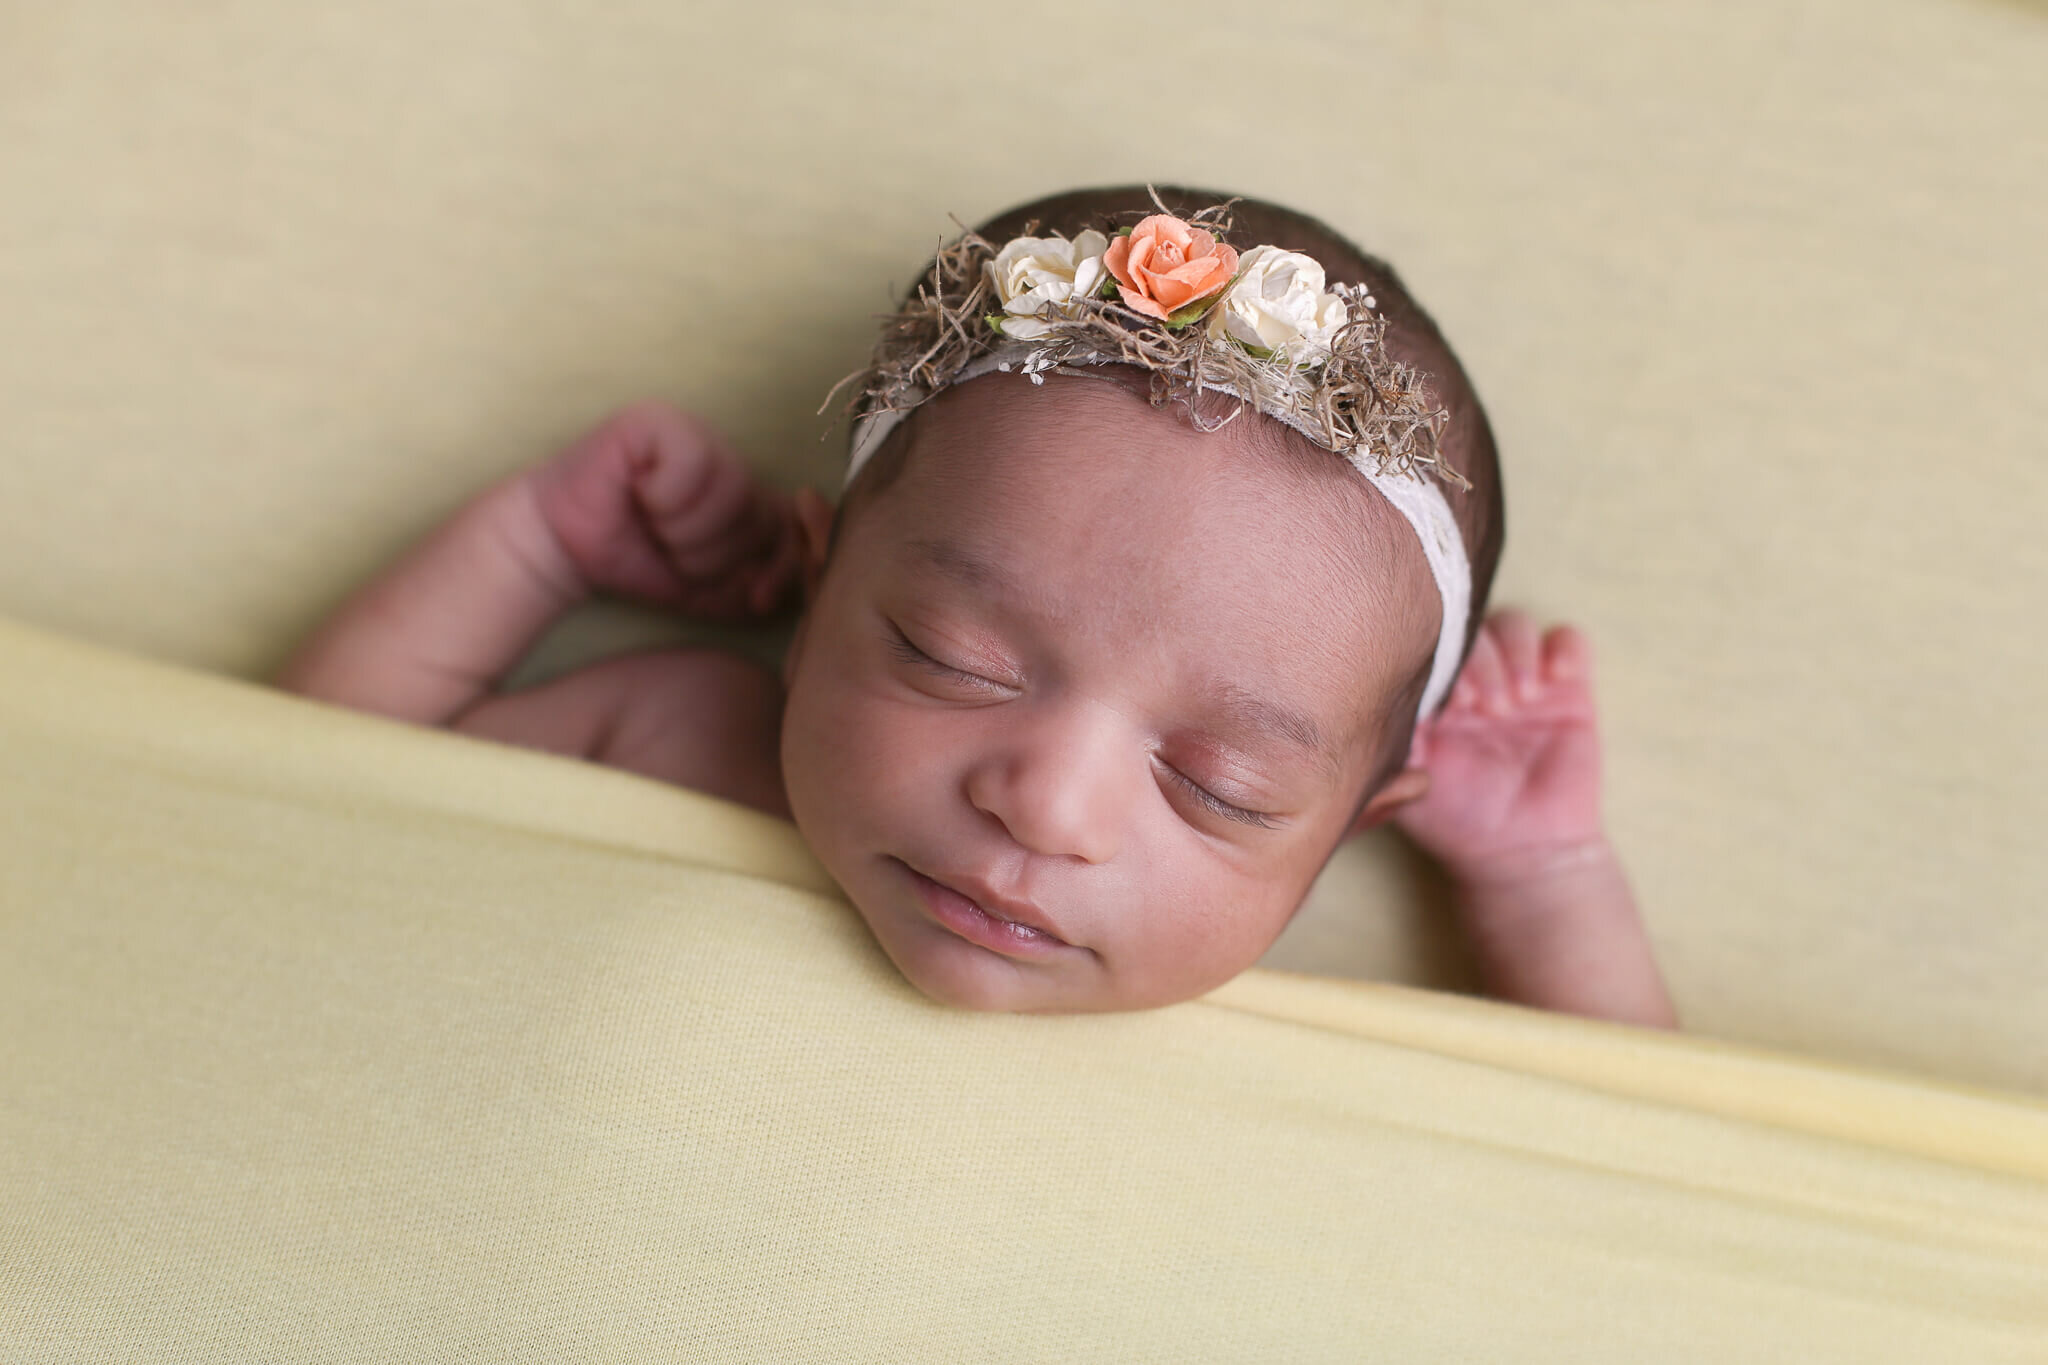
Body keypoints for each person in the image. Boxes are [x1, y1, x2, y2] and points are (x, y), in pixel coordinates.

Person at [277, 185, 1676, 1027]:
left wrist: (1544, 888)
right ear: (820, 584)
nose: (1047, 808)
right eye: (953, 657)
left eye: (1221, 786)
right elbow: (284, 813)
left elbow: (1633, 1186)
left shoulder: (1256, 998)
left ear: (1343, 832)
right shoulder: (678, 733)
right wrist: (534, 549)